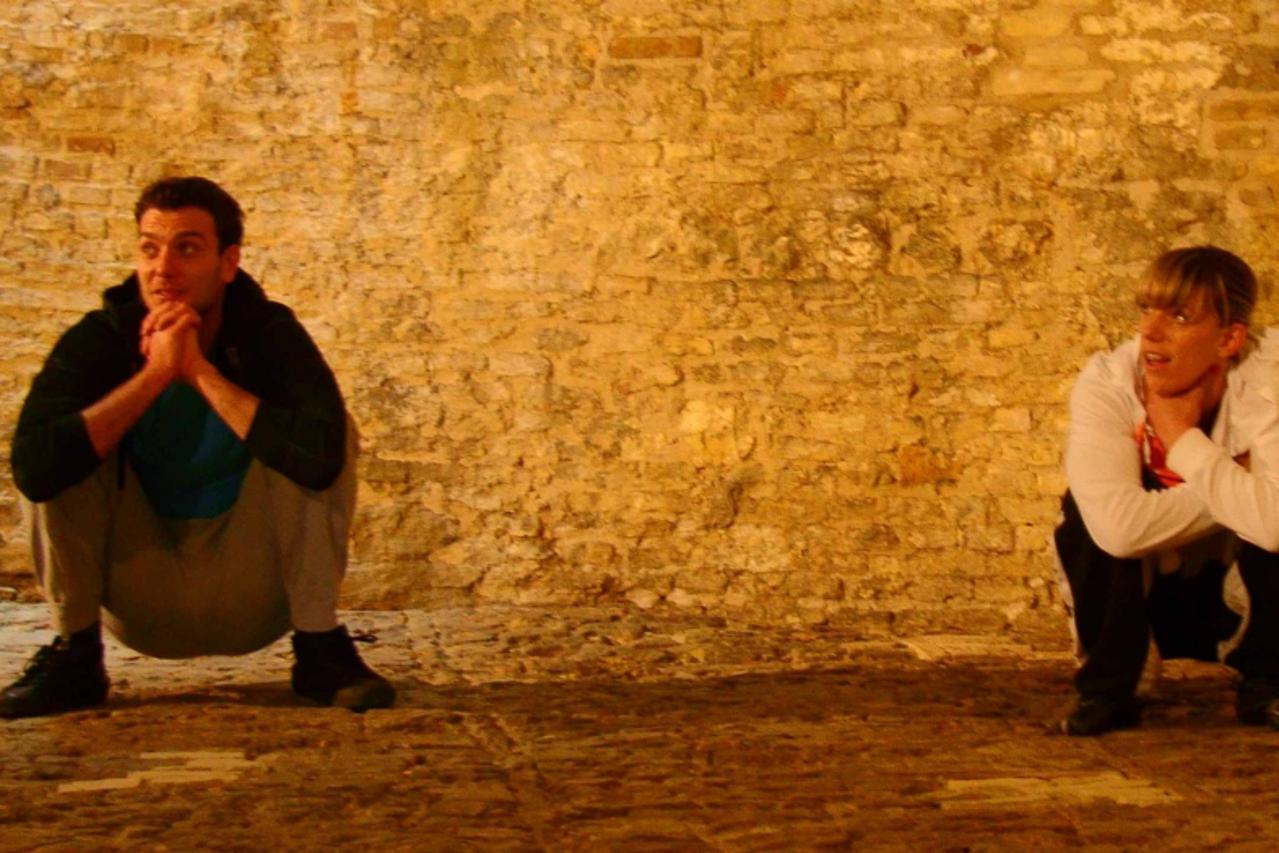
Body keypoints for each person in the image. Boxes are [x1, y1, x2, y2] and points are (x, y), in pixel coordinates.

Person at [2, 176, 394, 717]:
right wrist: (155, 375)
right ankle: (74, 655)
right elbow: (33, 470)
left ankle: (320, 651)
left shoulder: (269, 334)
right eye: (149, 249)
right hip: (139, 590)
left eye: (186, 249)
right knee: (65, 439)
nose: (162, 269)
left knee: (327, 430)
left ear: (227, 263)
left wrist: (199, 372)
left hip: (257, 589)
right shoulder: (101, 339)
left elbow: (320, 458)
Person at [1056, 245, 1279, 735]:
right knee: (1084, 515)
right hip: (1147, 593)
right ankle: (1108, 689)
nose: (1150, 331)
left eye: (1179, 317)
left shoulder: (1271, 375)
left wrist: (1182, 441)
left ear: (1229, 338)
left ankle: (1269, 682)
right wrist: (1236, 479)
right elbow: (1119, 531)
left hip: (1233, 591)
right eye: (1146, 310)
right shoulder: (1109, 382)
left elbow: (1272, 527)